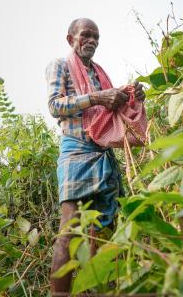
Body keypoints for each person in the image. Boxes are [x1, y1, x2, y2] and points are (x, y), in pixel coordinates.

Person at [45, 18, 145, 294]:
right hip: (75, 151)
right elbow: (55, 106)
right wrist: (98, 98)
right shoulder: (61, 65)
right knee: (70, 229)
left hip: (101, 153)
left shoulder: (99, 73)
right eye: (85, 35)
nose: (91, 41)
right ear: (70, 39)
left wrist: (132, 97)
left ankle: (100, 290)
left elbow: (111, 114)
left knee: (101, 229)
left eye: (96, 37)